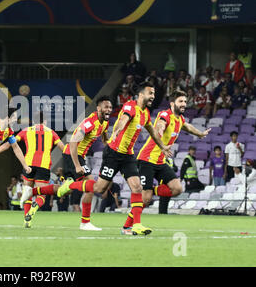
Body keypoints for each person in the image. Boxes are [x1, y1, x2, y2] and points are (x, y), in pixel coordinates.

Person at [58, 82, 173, 236]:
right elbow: (123, 120)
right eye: (150, 93)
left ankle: (132, 226)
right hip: (113, 154)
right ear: (140, 95)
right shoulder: (130, 107)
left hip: (128, 156)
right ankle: (70, 186)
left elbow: (152, 132)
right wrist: (117, 130)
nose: (153, 96)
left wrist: (163, 147)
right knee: (100, 188)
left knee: (137, 187)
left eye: (153, 93)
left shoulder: (145, 114)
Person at [20, 96, 113, 231]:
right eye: (106, 107)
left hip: (79, 156)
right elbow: (74, 141)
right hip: (73, 155)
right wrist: (76, 165)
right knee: (91, 185)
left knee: (65, 191)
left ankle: (31, 191)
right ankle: (85, 222)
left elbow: (104, 135)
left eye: (110, 107)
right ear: (98, 108)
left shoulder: (104, 122)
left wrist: (109, 144)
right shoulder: (89, 123)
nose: (109, 110)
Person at [136, 91, 210, 224]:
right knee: (146, 200)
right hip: (147, 159)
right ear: (172, 104)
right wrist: (161, 138)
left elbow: (187, 126)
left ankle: (151, 190)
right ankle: (131, 223)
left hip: (160, 161)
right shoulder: (165, 115)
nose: (184, 104)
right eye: (180, 101)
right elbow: (160, 126)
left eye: (185, 102)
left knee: (177, 189)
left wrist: (200, 134)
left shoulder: (180, 119)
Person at [0, 111, 65, 228]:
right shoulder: (51, 132)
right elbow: (63, 149)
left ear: (34, 121)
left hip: (28, 165)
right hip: (44, 166)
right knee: (41, 195)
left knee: (27, 192)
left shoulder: (26, 131)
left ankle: (26, 219)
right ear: (45, 121)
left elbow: (9, 144)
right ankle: (33, 210)